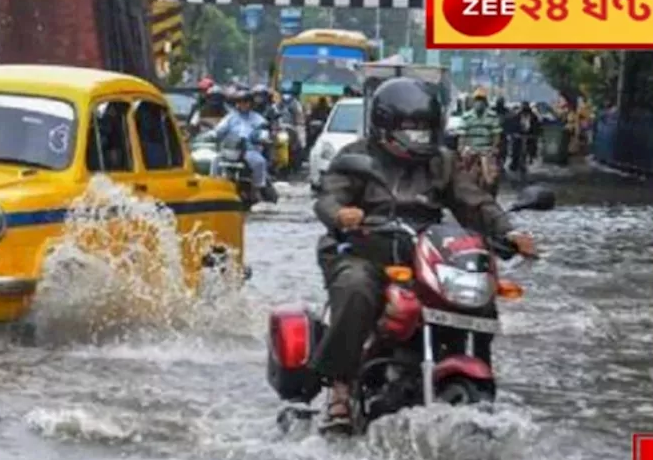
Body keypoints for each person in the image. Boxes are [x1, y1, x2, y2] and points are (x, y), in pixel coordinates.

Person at [309, 77, 536, 431]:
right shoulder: (355, 157)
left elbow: (474, 203)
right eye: (411, 130)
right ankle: (340, 385)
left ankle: (475, 367)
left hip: (422, 253)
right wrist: (341, 214)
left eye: (426, 130)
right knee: (356, 288)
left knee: (477, 291)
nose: (420, 138)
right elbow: (329, 196)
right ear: (384, 126)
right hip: (363, 248)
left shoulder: (442, 163)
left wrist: (509, 232)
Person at [210, 85, 269, 194]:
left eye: (245, 102)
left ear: (251, 103)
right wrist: (215, 133)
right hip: (230, 149)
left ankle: (257, 188)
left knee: (260, 162)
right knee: (215, 160)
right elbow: (220, 129)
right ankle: (214, 186)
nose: (242, 104)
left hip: (249, 150)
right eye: (240, 102)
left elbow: (263, 131)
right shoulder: (230, 117)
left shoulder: (257, 118)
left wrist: (262, 136)